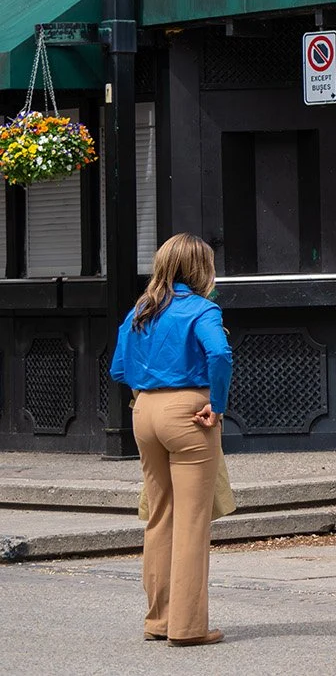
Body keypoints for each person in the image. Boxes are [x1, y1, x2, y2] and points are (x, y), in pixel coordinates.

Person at [109, 233, 233, 647]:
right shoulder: (203, 309)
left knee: (160, 516)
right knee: (193, 521)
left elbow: (118, 369)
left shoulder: (140, 310)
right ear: (201, 269)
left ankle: (158, 620)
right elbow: (219, 355)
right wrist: (216, 404)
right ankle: (189, 627)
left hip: (144, 411)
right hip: (189, 413)